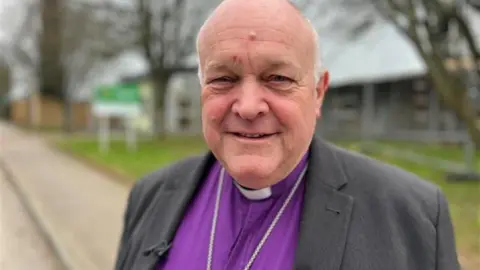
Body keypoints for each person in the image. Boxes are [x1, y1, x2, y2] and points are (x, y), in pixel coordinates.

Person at [114, 0, 460, 269]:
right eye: (223, 79)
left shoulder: (412, 218)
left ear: (318, 93)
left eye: (277, 78)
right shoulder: (150, 196)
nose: (248, 107)